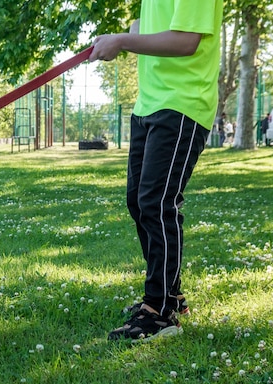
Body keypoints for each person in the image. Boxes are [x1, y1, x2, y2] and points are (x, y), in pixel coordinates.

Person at [89, 0, 223, 342]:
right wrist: (132, 31)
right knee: (139, 202)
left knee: (157, 203)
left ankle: (160, 312)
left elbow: (185, 41)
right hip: (148, 104)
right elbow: (147, 26)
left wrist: (122, 40)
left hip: (182, 103)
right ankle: (171, 296)